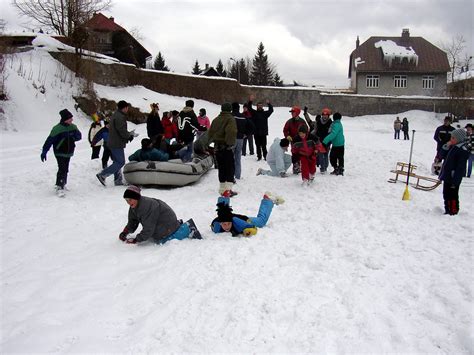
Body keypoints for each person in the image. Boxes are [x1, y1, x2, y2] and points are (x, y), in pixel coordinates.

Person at [119, 185, 202, 244]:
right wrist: (125, 232)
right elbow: (132, 222)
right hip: (161, 223)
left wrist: (136, 240)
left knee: (162, 240)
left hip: (166, 224)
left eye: (130, 199)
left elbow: (149, 229)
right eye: (126, 200)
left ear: (136, 197)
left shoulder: (147, 206)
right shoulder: (134, 206)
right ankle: (176, 225)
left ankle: (188, 228)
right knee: (156, 235)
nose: (128, 202)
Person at [41, 109, 82, 195]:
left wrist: (72, 137)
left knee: (66, 169)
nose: (72, 120)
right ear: (65, 119)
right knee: (62, 168)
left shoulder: (73, 127)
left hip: (69, 152)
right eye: (70, 118)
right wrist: (44, 151)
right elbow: (49, 140)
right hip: (59, 152)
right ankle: (59, 186)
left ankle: (63, 184)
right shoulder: (57, 129)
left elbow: (79, 136)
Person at [96, 100, 135, 186]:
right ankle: (102, 175)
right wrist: (129, 135)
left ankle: (118, 180)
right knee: (120, 162)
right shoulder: (120, 117)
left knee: (116, 161)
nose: (127, 109)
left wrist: (128, 135)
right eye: (127, 107)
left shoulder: (117, 115)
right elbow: (121, 130)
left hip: (114, 141)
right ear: (124, 108)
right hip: (116, 143)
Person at [211, 191, 284, 237]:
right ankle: (224, 195)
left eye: (228, 224)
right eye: (224, 224)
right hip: (228, 216)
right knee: (222, 208)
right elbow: (220, 211)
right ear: (220, 223)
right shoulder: (217, 226)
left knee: (261, 221)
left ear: (231, 222)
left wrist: (247, 230)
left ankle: (268, 200)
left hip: (243, 220)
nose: (227, 227)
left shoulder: (237, 222)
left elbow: (252, 227)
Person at [207, 102, 237, 196]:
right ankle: (228, 190)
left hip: (217, 147)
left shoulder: (216, 119)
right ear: (230, 110)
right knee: (230, 168)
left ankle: (222, 189)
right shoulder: (230, 119)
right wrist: (230, 143)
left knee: (222, 168)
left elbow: (210, 132)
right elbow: (231, 131)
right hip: (226, 148)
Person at [438, 128, 470, 215]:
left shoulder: (462, 150)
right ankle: (447, 209)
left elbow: (460, 168)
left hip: (453, 178)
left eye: (453, 138)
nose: (451, 139)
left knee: (452, 195)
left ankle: (453, 210)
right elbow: (441, 155)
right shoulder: (452, 147)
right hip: (448, 175)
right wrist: (445, 146)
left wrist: (455, 181)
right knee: (446, 193)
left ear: (459, 139)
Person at [232, 102, 254, 180]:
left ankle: (231, 176)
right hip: (240, 139)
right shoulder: (243, 116)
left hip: (232, 139)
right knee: (238, 158)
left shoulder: (231, 116)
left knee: (231, 158)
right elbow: (252, 126)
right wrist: (246, 134)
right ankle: (237, 176)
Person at [247, 95, 274, 161]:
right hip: (256, 132)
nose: (260, 106)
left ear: (262, 107)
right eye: (258, 105)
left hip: (263, 132)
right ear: (257, 106)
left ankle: (265, 156)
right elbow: (249, 108)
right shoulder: (254, 113)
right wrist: (250, 101)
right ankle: (259, 156)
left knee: (264, 146)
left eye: (261, 105)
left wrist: (268, 103)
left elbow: (271, 110)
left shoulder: (265, 113)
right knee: (258, 145)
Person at [283, 105, 308, 174]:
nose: (292, 113)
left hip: (301, 141)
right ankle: (296, 167)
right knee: (294, 154)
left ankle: (303, 167)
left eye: (293, 112)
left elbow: (306, 130)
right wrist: (287, 136)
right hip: (293, 141)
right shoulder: (289, 121)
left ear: (297, 113)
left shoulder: (302, 121)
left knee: (302, 154)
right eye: (291, 112)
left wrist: (305, 138)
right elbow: (285, 130)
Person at [313, 107, 333, 173]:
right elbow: (315, 130)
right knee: (320, 154)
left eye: (326, 115)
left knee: (326, 154)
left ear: (328, 116)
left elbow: (331, 133)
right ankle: (322, 168)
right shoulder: (318, 122)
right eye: (323, 115)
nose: (324, 116)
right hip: (319, 141)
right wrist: (311, 135)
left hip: (327, 141)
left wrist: (330, 140)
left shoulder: (330, 123)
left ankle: (325, 166)